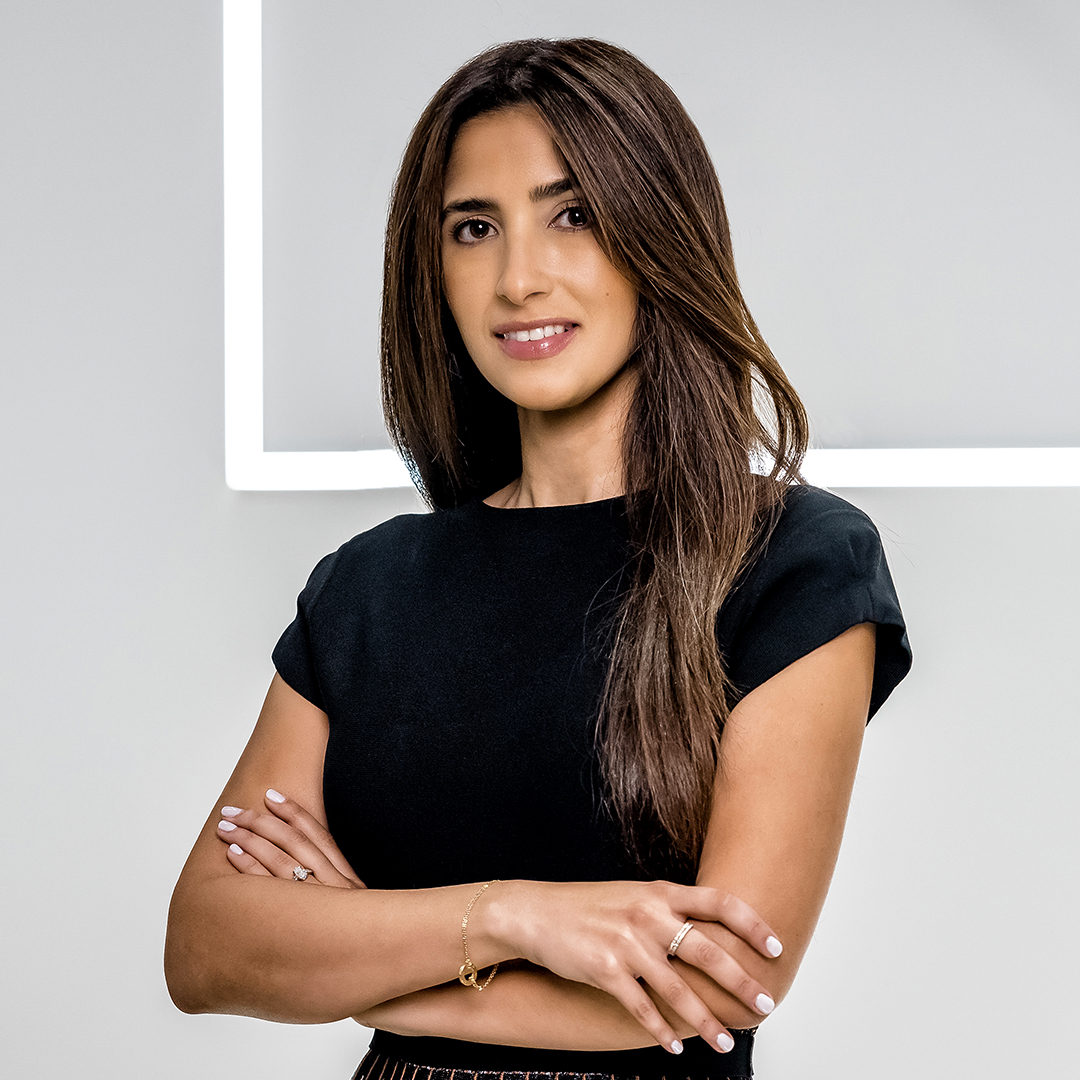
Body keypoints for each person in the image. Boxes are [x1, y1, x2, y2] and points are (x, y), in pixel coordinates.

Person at [165, 38, 911, 1080]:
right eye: (475, 229)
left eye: (572, 215)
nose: (519, 278)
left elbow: (718, 987)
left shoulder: (792, 560)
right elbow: (205, 949)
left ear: (657, 233)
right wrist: (513, 918)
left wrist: (362, 955)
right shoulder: (368, 589)